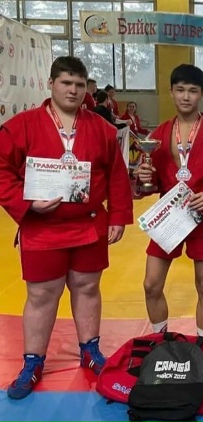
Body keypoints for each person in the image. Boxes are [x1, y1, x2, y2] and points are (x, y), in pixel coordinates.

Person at [0, 56, 133, 399]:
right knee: (42, 295)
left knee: (87, 287)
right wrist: (27, 203)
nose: (72, 90)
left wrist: (118, 215)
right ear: (51, 84)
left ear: (86, 88)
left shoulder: (102, 128)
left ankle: (90, 351)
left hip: (88, 226)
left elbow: (117, 174)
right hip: (41, 227)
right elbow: (2, 170)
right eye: (65, 83)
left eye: (78, 84)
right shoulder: (22, 126)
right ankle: (33, 362)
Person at [136, 64, 203, 338]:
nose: (186, 96)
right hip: (169, 216)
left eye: (192, 91)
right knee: (151, 284)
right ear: (171, 92)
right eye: (180, 90)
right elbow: (152, 180)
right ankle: (160, 340)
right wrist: (144, 176)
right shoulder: (159, 134)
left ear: (201, 94)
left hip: (202, 216)